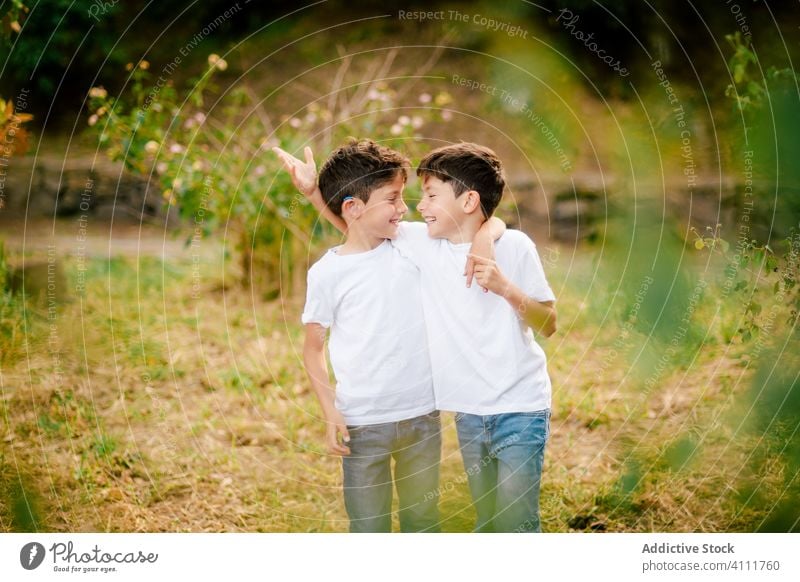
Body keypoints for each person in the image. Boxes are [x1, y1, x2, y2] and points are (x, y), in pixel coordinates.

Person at [279, 139, 504, 532]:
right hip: (363, 424)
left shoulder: (408, 245)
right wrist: (330, 410)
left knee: (423, 522)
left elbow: (492, 222)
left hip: (422, 417)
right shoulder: (326, 274)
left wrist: (484, 239)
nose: (405, 208)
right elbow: (313, 350)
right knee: (369, 527)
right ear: (354, 206)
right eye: (394, 198)